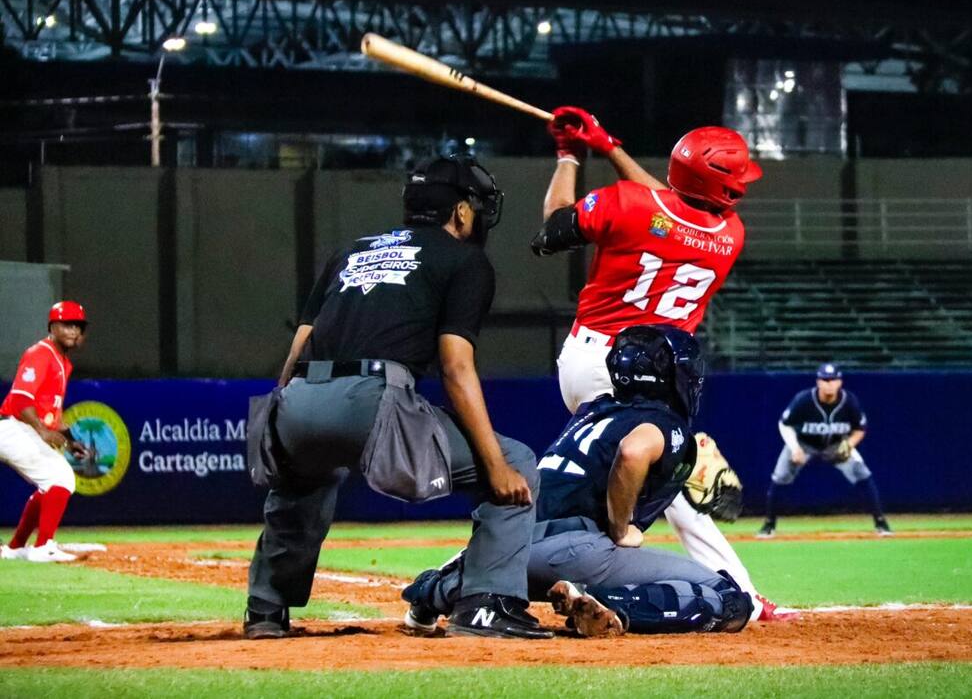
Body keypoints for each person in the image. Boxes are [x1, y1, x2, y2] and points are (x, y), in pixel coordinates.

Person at [244, 156, 551, 640]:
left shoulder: (351, 251)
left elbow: (301, 344)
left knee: (302, 482)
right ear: (461, 212)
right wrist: (494, 464)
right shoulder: (465, 259)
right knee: (516, 461)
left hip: (299, 399)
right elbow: (455, 366)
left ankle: (265, 611)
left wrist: (281, 417)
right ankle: (486, 606)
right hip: (373, 399)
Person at [529, 107, 797, 622]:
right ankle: (737, 591)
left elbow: (553, 228)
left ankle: (522, 568)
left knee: (599, 478)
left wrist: (569, 155)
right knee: (664, 481)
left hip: (590, 357)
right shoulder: (729, 234)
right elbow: (671, 209)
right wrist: (609, 146)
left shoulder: (628, 204)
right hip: (642, 375)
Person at [402, 324, 754, 637]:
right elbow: (632, 451)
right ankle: (608, 603)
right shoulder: (665, 422)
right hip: (577, 550)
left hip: (506, 551)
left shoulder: (591, 411)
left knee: (501, 573)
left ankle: (435, 590)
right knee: (730, 597)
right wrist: (620, 528)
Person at [758, 363, 892, 538]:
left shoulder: (849, 401)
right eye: (825, 380)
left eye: (833, 379)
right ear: (818, 382)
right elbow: (784, 424)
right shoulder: (804, 399)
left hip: (836, 444)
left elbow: (860, 428)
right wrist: (794, 447)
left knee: (862, 473)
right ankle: (769, 525)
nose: (829, 383)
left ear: (840, 382)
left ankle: (881, 523)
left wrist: (849, 444)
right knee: (780, 476)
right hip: (803, 443)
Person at [0, 301, 89, 562]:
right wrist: (42, 431)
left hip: (20, 428)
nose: (73, 330)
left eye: (78, 326)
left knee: (50, 484)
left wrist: (70, 440)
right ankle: (43, 547)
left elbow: (50, 414)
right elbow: (20, 399)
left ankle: (16, 547)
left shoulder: (62, 362)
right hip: (13, 427)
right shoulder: (41, 353)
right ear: (53, 326)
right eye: (67, 324)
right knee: (61, 477)